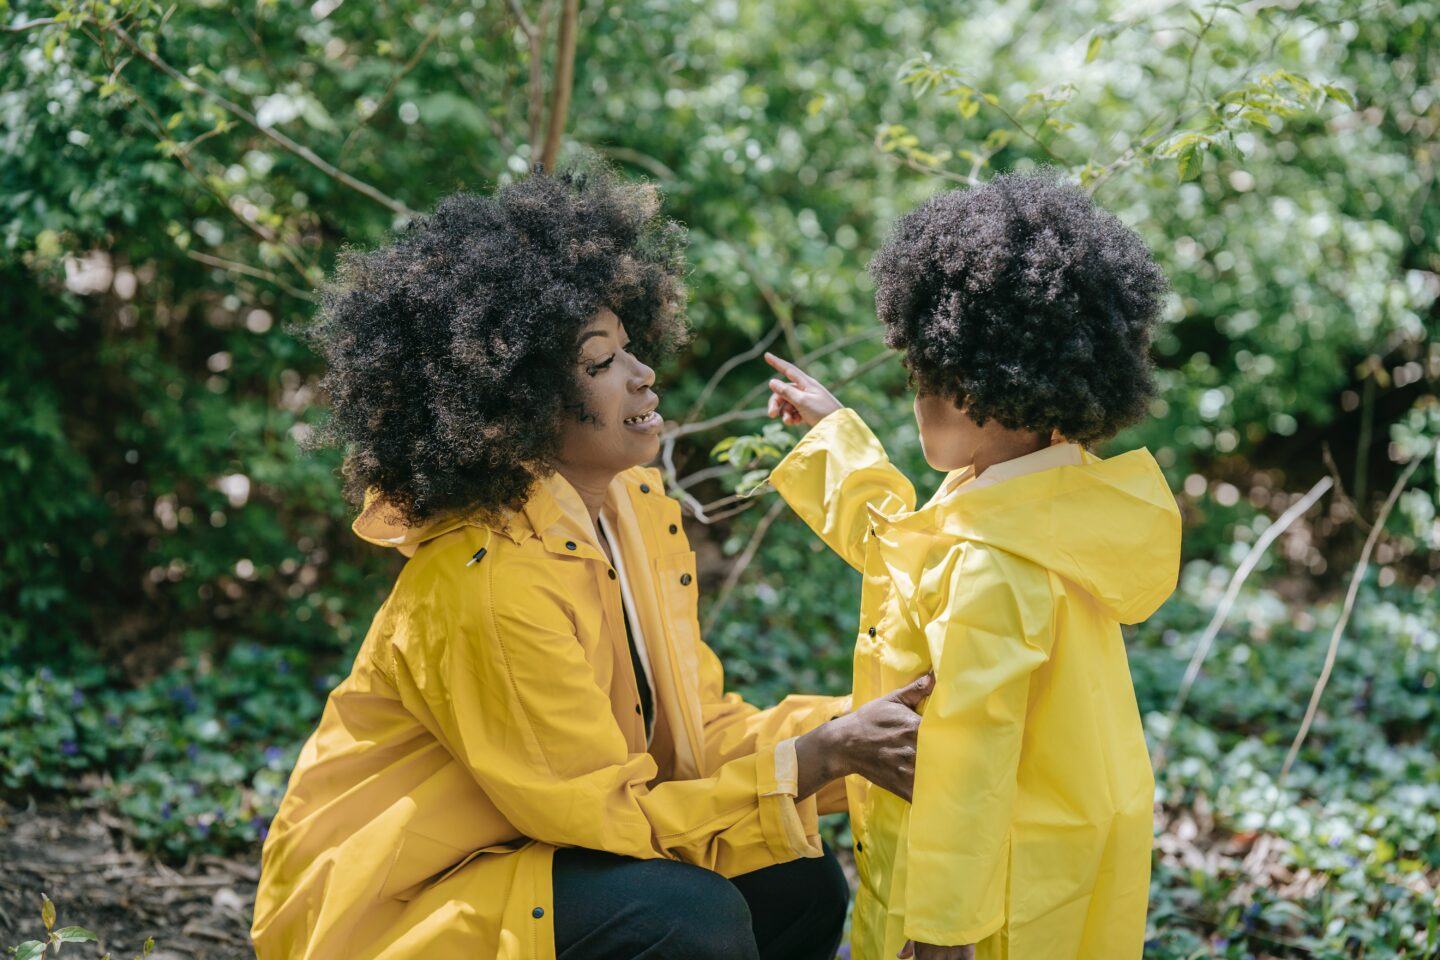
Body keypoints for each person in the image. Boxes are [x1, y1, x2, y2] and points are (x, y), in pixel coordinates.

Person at [250, 165, 932, 960]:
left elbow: (696, 735)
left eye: (630, 347)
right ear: (517, 406)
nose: (642, 374)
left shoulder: (632, 507)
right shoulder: (489, 581)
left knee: (798, 879)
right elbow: (612, 819)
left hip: (529, 861)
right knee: (686, 924)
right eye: (601, 362)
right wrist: (818, 758)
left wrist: (859, 727)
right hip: (390, 913)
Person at [762, 173, 1182, 960]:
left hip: (990, 897)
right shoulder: (1046, 504)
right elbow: (909, 554)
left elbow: (970, 764)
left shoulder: (995, 562)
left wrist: (942, 934)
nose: (916, 394)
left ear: (991, 391)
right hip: (1059, 850)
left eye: (929, 378)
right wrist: (834, 436)